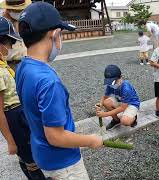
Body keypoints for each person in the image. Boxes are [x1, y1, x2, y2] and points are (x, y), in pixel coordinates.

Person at [16, 2, 103, 179]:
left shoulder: (23, 67)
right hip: (63, 163)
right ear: (54, 34)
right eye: (60, 33)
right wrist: (91, 140)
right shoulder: (49, 82)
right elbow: (56, 137)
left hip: (41, 153)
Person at [0, 17, 46, 180]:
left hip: (19, 113)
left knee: (27, 153)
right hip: (13, 117)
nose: (11, 47)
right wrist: (10, 141)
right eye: (9, 42)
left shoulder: (3, 65)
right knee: (28, 155)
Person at [96, 64, 139, 130]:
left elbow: (122, 108)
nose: (113, 84)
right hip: (121, 102)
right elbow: (105, 96)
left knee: (125, 121)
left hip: (131, 104)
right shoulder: (110, 84)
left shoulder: (126, 88)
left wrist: (105, 114)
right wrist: (100, 104)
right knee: (106, 102)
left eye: (115, 81)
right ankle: (116, 120)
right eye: (110, 82)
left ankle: (134, 117)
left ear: (121, 77)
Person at [0, 0, 30, 70]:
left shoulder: (19, 19)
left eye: (22, 10)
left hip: (24, 60)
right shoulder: (2, 24)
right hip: (9, 63)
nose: (21, 12)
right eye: (17, 11)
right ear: (8, 10)